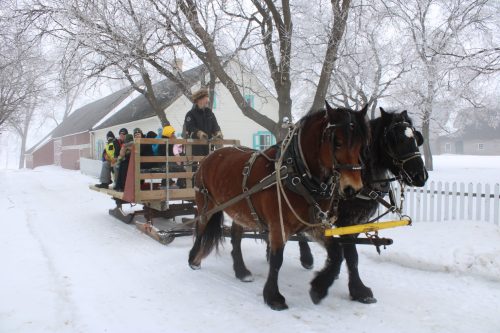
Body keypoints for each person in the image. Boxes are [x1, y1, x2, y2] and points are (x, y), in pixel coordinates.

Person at [184, 88, 223, 156]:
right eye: (206, 98)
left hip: (208, 146)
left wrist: (218, 132)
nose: (208, 100)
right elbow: (190, 127)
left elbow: (215, 125)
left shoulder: (209, 112)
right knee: (196, 166)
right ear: (199, 99)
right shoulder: (190, 114)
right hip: (195, 147)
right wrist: (199, 133)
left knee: (209, 164)